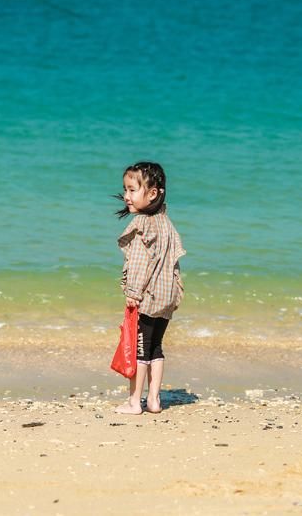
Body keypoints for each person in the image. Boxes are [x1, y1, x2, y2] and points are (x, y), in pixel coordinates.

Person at [114, 161, 186, 415]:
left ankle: (135, 402)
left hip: (147, 296)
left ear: (152, 193)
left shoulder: (142, 224)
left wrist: (132, 292)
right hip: (167, 296)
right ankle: (154, 400)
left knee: (139, 349)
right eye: (125, 189)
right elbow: (174, 262)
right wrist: (177, 293)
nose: (126, 196)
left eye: (133, 190)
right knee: (156, 346)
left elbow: (139, 263)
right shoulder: (167, 223)